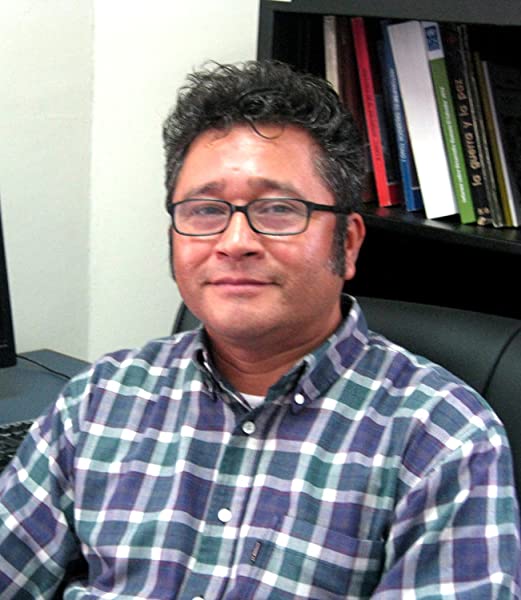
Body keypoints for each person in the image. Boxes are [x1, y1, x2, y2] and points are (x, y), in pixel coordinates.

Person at [0, 60, 519, 599]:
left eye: (277, 209)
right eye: (205, 210)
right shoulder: (101, 398)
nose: (234, 242)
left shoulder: (440, 438)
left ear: (347, 243)